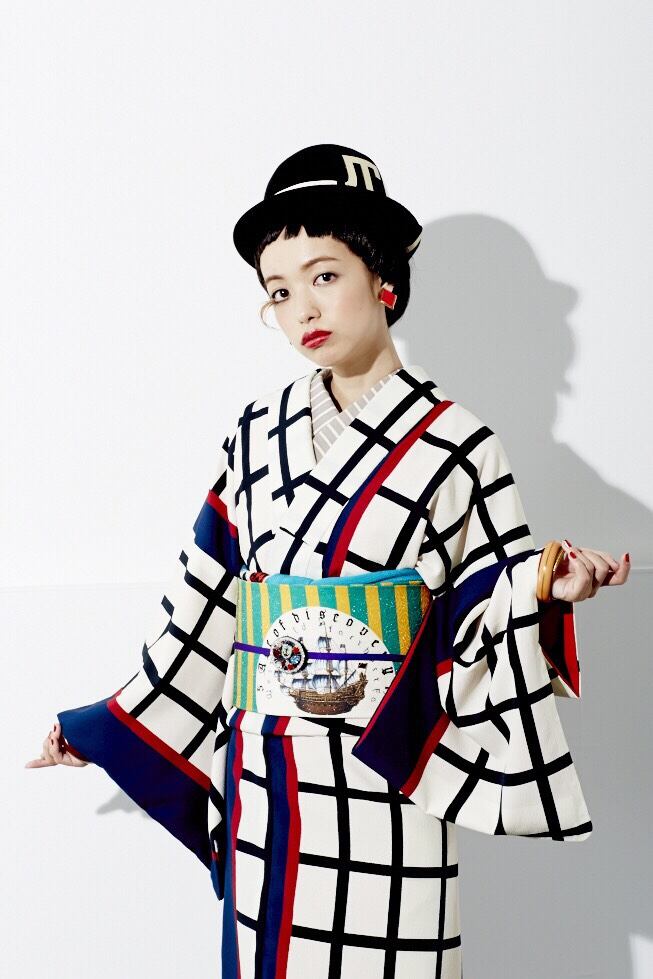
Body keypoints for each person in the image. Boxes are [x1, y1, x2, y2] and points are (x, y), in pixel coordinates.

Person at [26, 143, 630, 979]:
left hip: (380, 774)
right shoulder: (254, 435)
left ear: (383, 278)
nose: (301, 307)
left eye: (323, 274)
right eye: (278, 291)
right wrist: (108, 725)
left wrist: (542, 583)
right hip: (265, 773)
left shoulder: (460, 445)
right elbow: (208, 602)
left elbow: (480, 609)